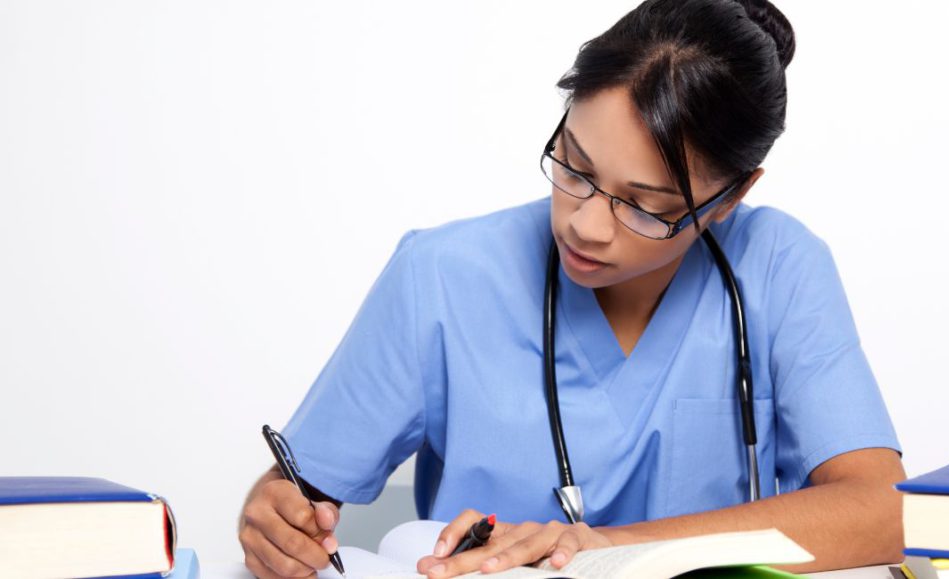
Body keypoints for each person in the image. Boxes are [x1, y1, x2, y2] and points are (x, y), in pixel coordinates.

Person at [238, 0, 906, 577]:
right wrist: (275, 520)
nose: (585, 226)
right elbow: (300, 495)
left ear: (731, 197)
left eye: (644, 205)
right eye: (575, 167)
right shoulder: (442, 275)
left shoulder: (779, 267)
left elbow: (883, 510)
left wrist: (606, 548)